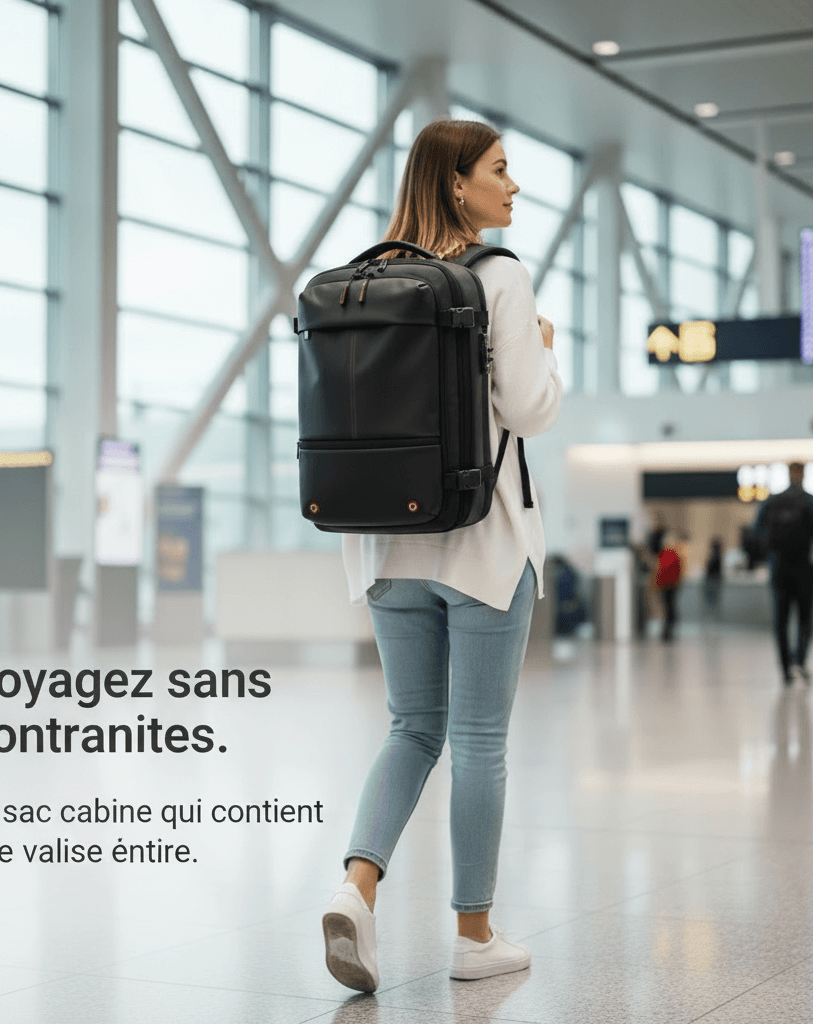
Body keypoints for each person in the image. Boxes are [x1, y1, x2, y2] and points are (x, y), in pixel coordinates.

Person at [321, 119, 563, 993]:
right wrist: (544, 344)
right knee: (480, 741)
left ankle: (357, 888)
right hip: (483, 542)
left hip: (387, 545)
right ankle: (473, 938)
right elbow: (530, 409)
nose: (515, 186)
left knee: (411, 728)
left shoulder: (368, 278)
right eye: (501, 171)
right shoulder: (497, 275)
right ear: (459, 185)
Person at [753, 462, 813, 684]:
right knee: (805, 617)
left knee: (780, 619)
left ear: (788, 474)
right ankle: (801, 660)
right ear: (803, 475)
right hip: (805, 568)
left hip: (779, 567)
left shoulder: (772, 502)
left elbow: (757, 530)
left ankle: (785, 668)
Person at [655, 531, 682, 641]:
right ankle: (668, 629)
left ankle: (668, 629)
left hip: (668, 586)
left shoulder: (667, 555)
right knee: (669, 607)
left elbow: (660, 570)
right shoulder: (671, 555)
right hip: (669, 586)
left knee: (668, 608)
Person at [704, 536, 723, 614]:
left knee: (712, 602)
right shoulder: (716, 556)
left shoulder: (716, 557)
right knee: (711, 602)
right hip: (713, 581)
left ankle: (712, 617)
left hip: (713, 581)